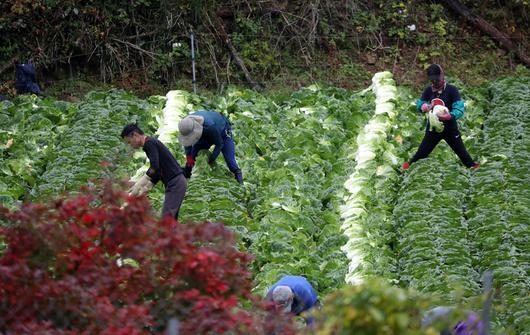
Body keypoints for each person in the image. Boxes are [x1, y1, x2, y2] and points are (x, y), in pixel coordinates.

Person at [402, 64, 479, 170]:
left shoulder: (452, 90)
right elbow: (420, 103)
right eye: (432, 81)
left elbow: (459, 108)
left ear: (442, 76)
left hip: (450, 128)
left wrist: (450, 116)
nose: (435, 83)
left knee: (461, 151)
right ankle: (407, 169)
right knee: (421, 152)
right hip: (433, 129)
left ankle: (473, 167)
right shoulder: (429, 90)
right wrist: (423, 106)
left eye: (437, 80)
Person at [121, 123, 187, 220]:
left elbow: (154, 167)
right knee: (171, 220)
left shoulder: (149, 144)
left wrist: (141, 182)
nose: (130, 145)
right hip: (176, 183)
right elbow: (159, 168)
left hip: (175, 183)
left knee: (167, 219)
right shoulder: (150, 143)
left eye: (129, 142)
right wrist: (149, 185)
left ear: (135, 135)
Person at [177, 111, 243, 184]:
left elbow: (219, 144)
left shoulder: (209, 126)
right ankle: (187, 174)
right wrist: (188, 157)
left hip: (222, 132)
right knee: (193, 156)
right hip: (204, 134)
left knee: (230, 160)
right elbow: (187, 141)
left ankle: (238, 177)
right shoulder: (185, 125)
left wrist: (211, 159)